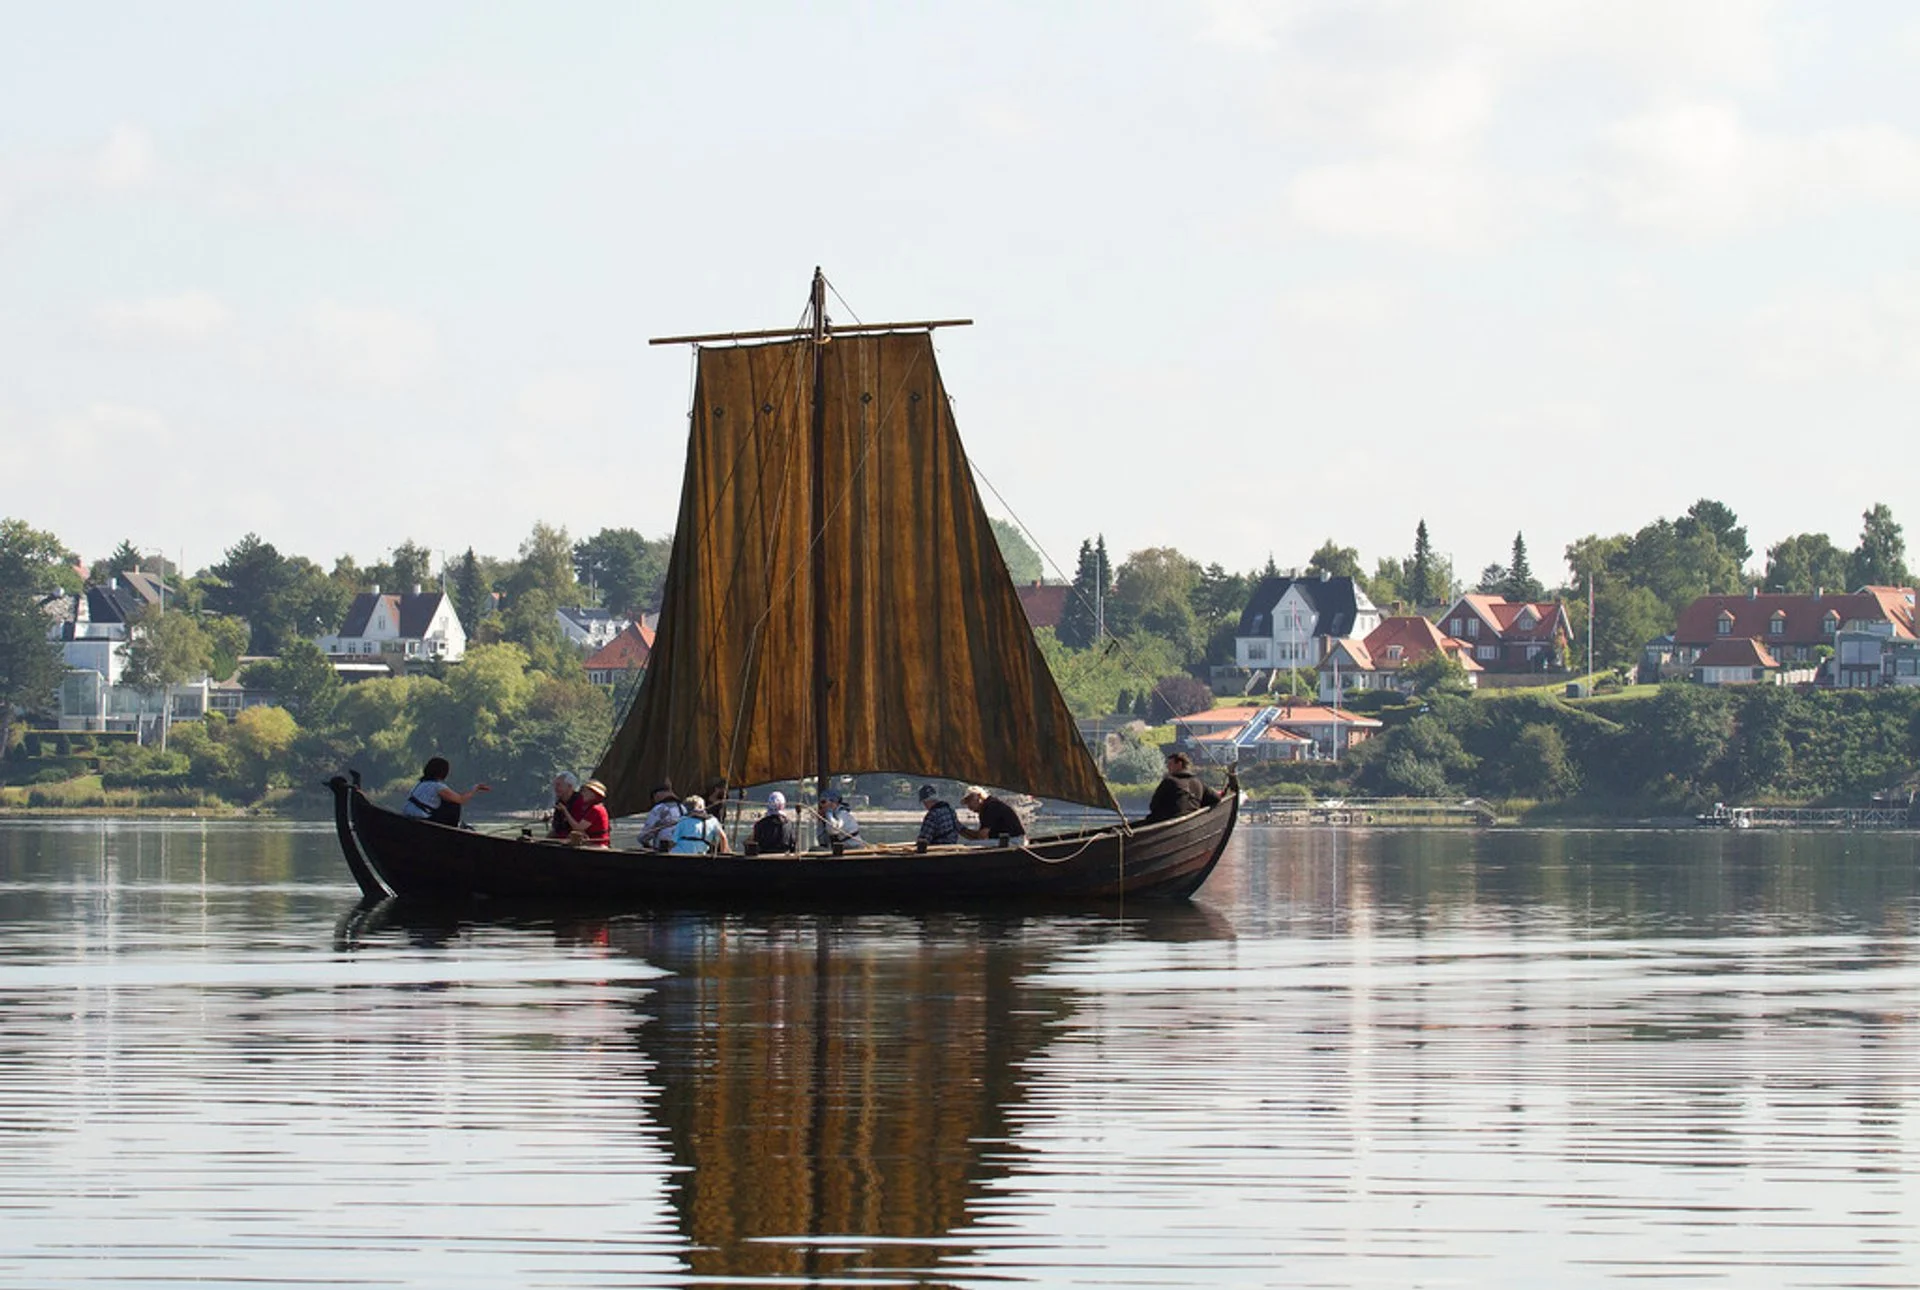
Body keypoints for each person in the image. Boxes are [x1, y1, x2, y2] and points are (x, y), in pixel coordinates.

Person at [401, 756, 489, 826]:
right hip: (421, 818)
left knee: (445, 801)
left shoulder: (420, 784)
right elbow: (461, 799)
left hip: (408, 816)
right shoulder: (438, 786)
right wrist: (475, 789)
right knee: (455, 805)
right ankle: (450, 831)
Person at [1141, 751, 1221, 825]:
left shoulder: (1169, 781)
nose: (1168, 767)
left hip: (1168, 824)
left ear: (1179, 764)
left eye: (1170, 764)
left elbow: (1153, 806)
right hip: (1191, 823)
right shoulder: (1198, 782)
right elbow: (1216, 798)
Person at [960, 785, 1025, 845]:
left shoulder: (991, 807)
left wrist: (962, 830)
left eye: (969, 801)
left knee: (969, 845)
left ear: (979, 796)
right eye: (966, 803)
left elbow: (982, 836)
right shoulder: (988, 806)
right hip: (1011, 840)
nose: (968, 806)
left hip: (1014, 841)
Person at [635, 781, 683, 851]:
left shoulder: (659, 808)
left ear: (657, 795)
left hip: (664, 849)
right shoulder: (683, 808)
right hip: (681, 848)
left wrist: (642, 840)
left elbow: (647, 833)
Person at [749, 790, 797, 854]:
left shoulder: (760, 825)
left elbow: (754, 846)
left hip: (763, 862)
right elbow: (793, 847)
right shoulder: (790, 825)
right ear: (783, 805)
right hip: (785, 862)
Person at [568, 779, 612, 846]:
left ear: (594, 794)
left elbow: (577, 828)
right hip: (593, 844)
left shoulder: (596, 809)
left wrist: (565, 811)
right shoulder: (595, 808)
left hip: (598, 846)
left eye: (585, 792)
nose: (582, 794)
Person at [915, 784, 961, 848]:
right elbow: (959, 829)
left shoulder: (932, 815)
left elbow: (923, 840)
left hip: (937, 851)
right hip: (952, 847)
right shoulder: (950, 810)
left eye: (924, 803)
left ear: (926, 801)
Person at [549, 772, 585, 839]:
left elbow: (578, 829)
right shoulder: (559, 802)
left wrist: (565, 811)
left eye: (558, 785)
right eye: (555, 785)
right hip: (560, 840)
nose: (555, 788)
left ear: (569, 786)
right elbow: (557, 827)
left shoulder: (580, 801)